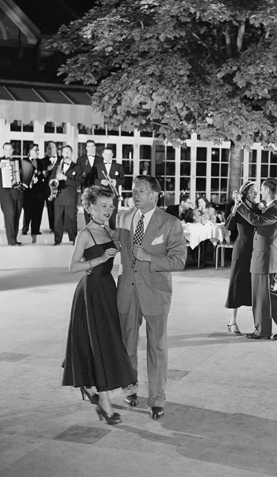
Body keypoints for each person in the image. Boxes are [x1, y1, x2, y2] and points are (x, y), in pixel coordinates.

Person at [62, 186, 136, 426]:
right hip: (90, 292)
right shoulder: (85, 234)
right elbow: (73, 267)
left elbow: (127, 244)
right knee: (100, 343)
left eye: (111, 205)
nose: (108, 210)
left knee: (103, 341)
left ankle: (89, 385)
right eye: (103, 206)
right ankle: (104, 403)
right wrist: (100, 259)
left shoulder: (109, 231)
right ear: (90, 208)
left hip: (108, 289)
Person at [116, 176, 186, 421]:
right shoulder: (123, 217)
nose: (135, 195)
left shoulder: (170, 223)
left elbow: (178, 261)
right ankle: (129, 387)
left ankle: (156, 399)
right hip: (127, 291)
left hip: (156, 293)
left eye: (141, 191)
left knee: (156, 348)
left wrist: (148, 257)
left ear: (155, 195)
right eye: (134, 190)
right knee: (127, 344)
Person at [235, 177, 277, 340]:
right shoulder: (272, 207)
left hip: (265, 258)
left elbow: (257, 220)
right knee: (267, 294)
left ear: (268, 191)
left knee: (262, 296)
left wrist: (240, 206)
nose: (260, 192)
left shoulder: (275, 209)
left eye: (262, 189)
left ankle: (263, 330)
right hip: (262, 257)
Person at [224, 182, 257, 335]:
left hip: (255, 250)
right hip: (241, 250)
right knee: (237, 285)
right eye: (252, 191)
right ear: (245, 193)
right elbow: (229, 226)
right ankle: (232, 321)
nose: (255, 193)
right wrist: (235, 209)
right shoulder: (238, 207)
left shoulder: (258, 208)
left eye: (256, 191)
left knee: (254, 287)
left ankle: (258, 322)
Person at [52, 145, 80, 246]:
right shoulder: (57, 166)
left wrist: (65, 178)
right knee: (57, 219)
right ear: (62, 154)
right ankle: (57, 240)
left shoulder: (77, 167)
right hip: (58, 196)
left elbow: (78, 183)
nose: (66, 154)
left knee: (71, 219)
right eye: (64, 152)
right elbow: (50, 179)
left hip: (70, 197)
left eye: (68, 152)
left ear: (72, 153)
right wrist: (53, 182)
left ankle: (74, 239)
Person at [21, 144, 47, 243]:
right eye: (36, 150)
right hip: (28, 192)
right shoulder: (24, 162)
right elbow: (22, 176)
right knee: (28, 211)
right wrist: (31, 181)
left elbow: (44, 175)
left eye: (38, 150)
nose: (37, 152)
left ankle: (35, 229)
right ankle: (25, 229)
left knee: (38, 211)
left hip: (39, 191)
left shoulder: (41, 162)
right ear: (30, 151)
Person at [95, 147, 125, 230]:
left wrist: (116, 181)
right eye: (106, 154)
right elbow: (93, 180)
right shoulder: (97, 166)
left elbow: (123, 180)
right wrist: (101, 181)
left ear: (112, 155)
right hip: (101, 195)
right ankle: (100, 234)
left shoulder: (118, 166)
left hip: (113, 195)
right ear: (102, 155)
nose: (108, 156)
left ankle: (112, 234)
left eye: (110, 154)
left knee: (113, 215)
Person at [77, 140, 99, 225]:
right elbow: (78, 176)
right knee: (86, 207)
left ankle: (97, 228)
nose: (90, 148)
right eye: (88, 146)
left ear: (95, 147)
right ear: (86, 148)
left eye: (92, 146)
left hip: (97, 188)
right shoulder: (80, 160)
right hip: (85, 187)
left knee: (96, 207)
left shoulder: (100, 159)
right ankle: (88, 227)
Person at [44, 141, 59, 233]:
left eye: (52, 148)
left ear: (56, 149)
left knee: (60, 208)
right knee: (50, 208)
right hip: (48, 189)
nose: (50, 150)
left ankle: (60, 227)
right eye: (48, 148)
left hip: (60, 188)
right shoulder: (43, 161)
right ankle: (52, 228)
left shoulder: (62, 159)